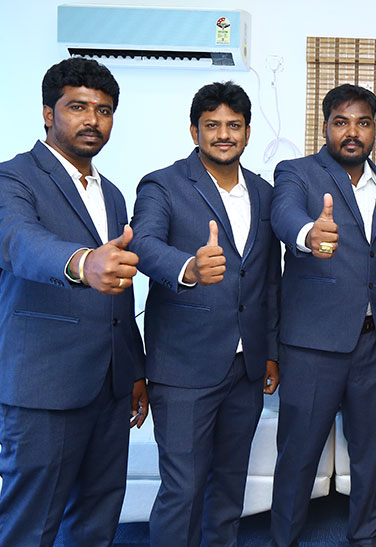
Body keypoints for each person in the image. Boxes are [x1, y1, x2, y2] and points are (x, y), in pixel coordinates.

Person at [0, 57, 147, 546]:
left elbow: (119, 291)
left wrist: (133, 370)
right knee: (29, 527)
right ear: (48, 113)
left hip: (108, 388)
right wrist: (81, 262)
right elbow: (17, 241)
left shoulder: (112, 195)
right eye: (78, 107)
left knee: (97, 520)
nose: (93, 120)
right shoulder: (5, 178)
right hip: (42, 387)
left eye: (104, 110)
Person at [130, 81, 280, 546]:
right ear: (194, 131)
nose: (223, 135)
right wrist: (189, 268)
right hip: (184, 366)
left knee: (230, 484)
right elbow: (144, 244)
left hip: (246, 366)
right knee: (183, 488)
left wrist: (271, 352)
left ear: (247, 132)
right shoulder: (163, 184)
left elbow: (268, 279)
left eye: (233, 125)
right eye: (212, 125)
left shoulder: (264, 192)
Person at [270, 84, 376, 547]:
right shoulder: (297, 173)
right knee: (298, 455)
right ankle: (283, 539)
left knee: (370, 455)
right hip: (313, 346)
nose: (352, 132)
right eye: (341, 122)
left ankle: (364, 537)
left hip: (374, 345)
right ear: (325, 125)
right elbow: (283, 213)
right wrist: (308, 234)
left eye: (362, 123)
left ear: (374, 129)